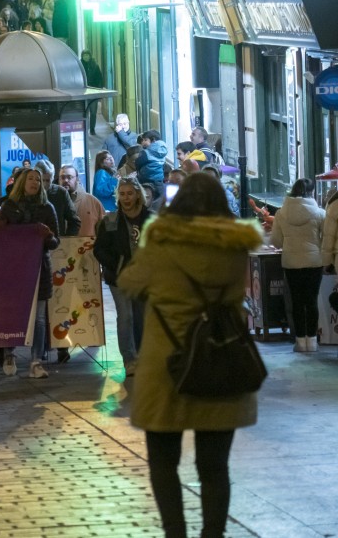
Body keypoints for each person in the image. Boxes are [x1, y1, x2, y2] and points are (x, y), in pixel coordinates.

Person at [116, 172, 263, 538]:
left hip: (167, 365)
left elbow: (129, 283)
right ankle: (213, 533)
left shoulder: (161, 243)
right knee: (215, 467)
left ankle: (175, 533)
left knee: (163, 462)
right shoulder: (235, 246)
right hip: (221, 359)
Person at [0, 169, 59, 379]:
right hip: (13, 269)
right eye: (30, 178)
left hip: (40, 268)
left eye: (38, 179)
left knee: (39, 319)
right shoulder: (8, 207)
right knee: (13, 313)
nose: (35, 182)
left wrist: (48, 235)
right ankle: (10, 354)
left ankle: (36, 361)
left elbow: (55, 242)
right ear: (22, 182)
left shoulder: (47, 208)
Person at [93, 177, 151, 377]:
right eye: (122, 194)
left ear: (137, 194)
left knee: (142, 317)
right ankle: (129, 359)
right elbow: (99, 249)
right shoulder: (110, 220)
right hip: (119, 277)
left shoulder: (151, 218)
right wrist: (117, 266)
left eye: (130, 193)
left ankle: (143, 356)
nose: (126, 198)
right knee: (125, 316)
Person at [269, 177, 325, 352]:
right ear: (311, 192)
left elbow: (276, 241)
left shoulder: (281, 213)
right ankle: (312, 342)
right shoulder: (319, 213)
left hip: (291, 262)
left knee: (297, 301)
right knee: (312, 300)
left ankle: (300, 341)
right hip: (314, 262)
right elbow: (326, 238)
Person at [59, 164, 104, 236]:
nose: (66, 180)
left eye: (69, 177)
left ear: (77, 179)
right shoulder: (53, 202)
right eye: (62, 177)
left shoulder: (93, 202)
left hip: (87, 246)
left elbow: (103, 232)